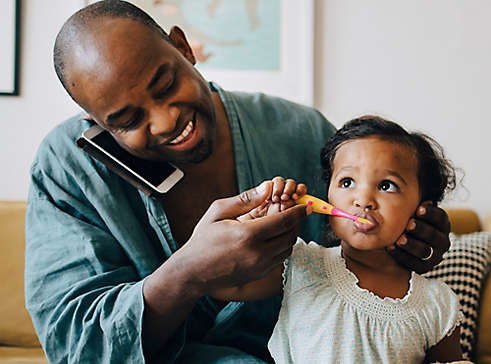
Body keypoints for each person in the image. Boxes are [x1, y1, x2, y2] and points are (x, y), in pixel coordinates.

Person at [25, 1, 452, 363]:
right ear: (96, 123)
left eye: (166, 83)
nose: (166, 119)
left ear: (182, 47)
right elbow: (73, 345)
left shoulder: (302, 132)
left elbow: (366, 244)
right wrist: (187, 275)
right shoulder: (67, 170)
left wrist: (410, 242)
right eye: (128, 120)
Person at [210, 116, 467, 363]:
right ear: (328, 195)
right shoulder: (301, 265)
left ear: (423, 209)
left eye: (387, 185)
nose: (363, 199)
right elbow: (218, 283)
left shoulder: (437, 304)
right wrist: (253, 224)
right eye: (347, 182)